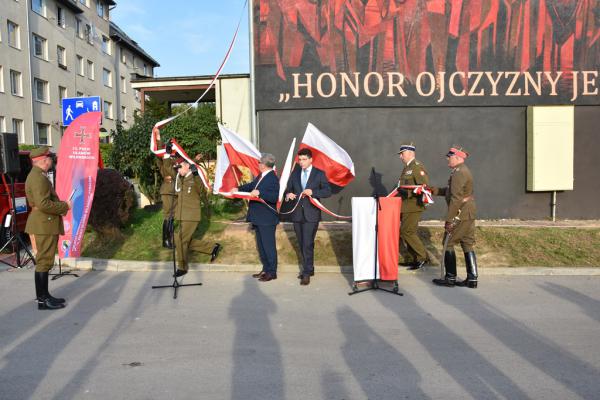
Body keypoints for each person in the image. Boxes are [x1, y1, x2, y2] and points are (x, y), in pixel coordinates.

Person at [25, 147, 71, 310]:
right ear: (44, 160)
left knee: (45, 261)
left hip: (45, 222)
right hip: (44, 224)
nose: (52, 161)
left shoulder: (39, 176)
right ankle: (42, 300)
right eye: (50, 158)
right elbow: (43, 204)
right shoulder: (38, 178)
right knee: (44, 262)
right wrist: (64, 205)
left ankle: (45, 296)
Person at [430, 146, 478, 288]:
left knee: (448, 242)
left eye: (449, 157)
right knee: (467, 242)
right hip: (467, 212)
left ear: (457, 158)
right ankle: (472, 279)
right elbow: (450, 192)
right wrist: (432, 190)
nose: (447, 159)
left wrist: (449, 220)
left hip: (460, 213)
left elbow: (456, 198)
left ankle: (450, 277)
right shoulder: (461, 171)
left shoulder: (459, 172)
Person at [284, 148, 331, 285]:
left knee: (307, 243)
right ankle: (309, 268)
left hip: (311, 214)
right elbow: (288, 189)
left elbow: (327, 191)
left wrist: (313, 191)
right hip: (297, 213)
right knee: (301, 243)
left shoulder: (319, 174)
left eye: (304, 159)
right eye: (300, 159)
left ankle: (306, 273)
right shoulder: (295, 174)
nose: (301, 162)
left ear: (311, 160)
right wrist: (288, 195)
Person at [233, 153, 280, 282]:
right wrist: (237, 188)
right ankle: (265, 269)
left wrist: (260, 193)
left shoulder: (273, 178)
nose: (258, 164)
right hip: (258, 217)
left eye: (259, 162)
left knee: (268, 247)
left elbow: (274, 197)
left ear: (264, 165)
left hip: (267, 219)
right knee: (261, 246)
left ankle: (272, 272)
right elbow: (251, 186)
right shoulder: (261, 176)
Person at [396, 142, 429, 270]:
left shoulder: (416, 167)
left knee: (406, 231)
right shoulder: (407, 167)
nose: (400, 157)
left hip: (414, 205)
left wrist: (408, 192)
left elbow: (424, 187)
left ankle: (422, 257)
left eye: (402, 154)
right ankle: (416, 258)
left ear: (410, 153)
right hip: (406, 206)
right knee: (407, 232)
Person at [172, 157, 206, 277]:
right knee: (184, 241)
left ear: (187, 166)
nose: (178, 170)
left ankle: (182, 267)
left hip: (191, 214)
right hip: (182, 214)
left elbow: (201, 191)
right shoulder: (181, 178)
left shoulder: (194, 177)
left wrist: (196, 174)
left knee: (179, 239)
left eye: (180, 167)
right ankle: (212, 249)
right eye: (177, 169)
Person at [154, 134, 178, 249]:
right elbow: (158, 154)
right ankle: (166, 241)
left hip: (175, 191)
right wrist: (158, 138)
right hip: (168, 191)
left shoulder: (173, 161)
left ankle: (170, 238)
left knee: (172, 216)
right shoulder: (163, 163)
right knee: (168, 216)